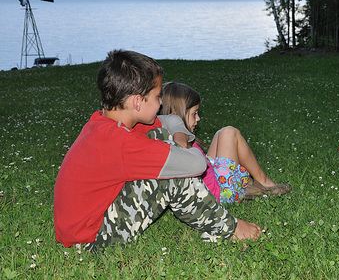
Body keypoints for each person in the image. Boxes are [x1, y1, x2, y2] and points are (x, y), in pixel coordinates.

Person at [53, 50, 261, 251]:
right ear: (137, 101)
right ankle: (229, 228)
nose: (161, 102)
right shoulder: (122, 143)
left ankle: (216, 222)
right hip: (91, 241)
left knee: (163, 142)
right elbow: (198, 164)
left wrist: (179, 137)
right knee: (171, 174)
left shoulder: (106, 123)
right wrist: (182, 149)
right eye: (157, 96)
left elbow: (170, 120)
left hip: (85, 228)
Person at [148, 81, 291, 204]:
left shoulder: (170, 136)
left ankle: (249, 184)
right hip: (220, 194)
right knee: (229, 132)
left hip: (213, 183)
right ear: (176, 114)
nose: (198, 119)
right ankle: (262, 181)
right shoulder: (180, 141)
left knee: (220, 134)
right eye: (194, 114)